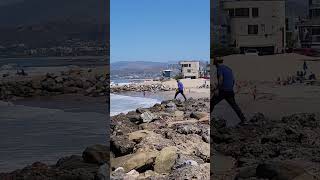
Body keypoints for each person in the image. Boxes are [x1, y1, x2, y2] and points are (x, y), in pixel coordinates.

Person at [211, 58, 247, 125]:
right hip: (230, 91)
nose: (214, 65)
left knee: (212, 103)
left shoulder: (220, 68)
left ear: (216, 63)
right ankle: (244, 119)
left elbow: (221, 79)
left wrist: (217, 89)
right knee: (234, 106)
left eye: (214, 63)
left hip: (222, 91)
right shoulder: (228, 68)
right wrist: (230, 88)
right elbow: (233, 80)